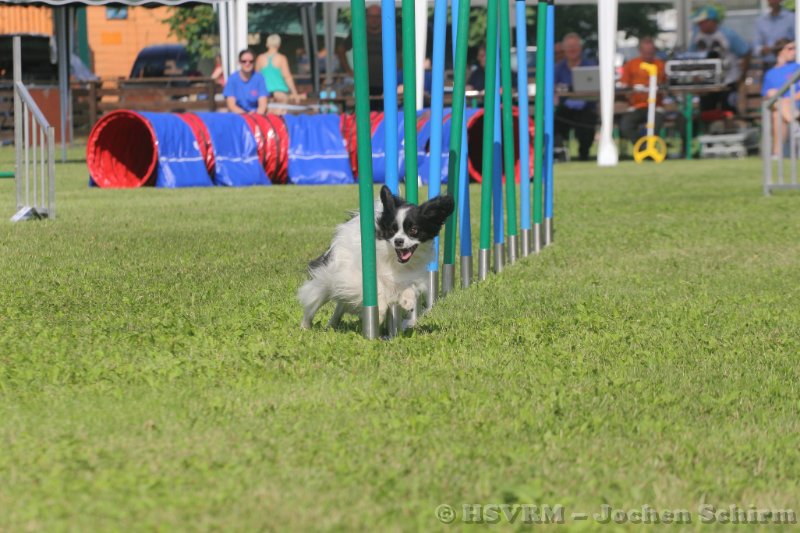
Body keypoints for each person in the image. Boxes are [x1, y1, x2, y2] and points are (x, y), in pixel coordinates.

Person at [337, 5, 400, 110]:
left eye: (377, 16)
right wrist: (348, 70)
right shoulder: (359, 33)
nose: (374, 19)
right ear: (366, 17)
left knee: (386, 112)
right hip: (363, 83)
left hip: (386, 82)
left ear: (382, 17)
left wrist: (399, 68)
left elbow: (403, 49)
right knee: (364, 111)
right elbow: (340, 49)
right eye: (371, 16)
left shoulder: (390, 33)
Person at [689, 6, 751, 113]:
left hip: (728, 80)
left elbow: (745, 52)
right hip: (706, 82)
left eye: (703, 22)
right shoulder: (696, 36)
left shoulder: (728, 34)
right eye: (699, 23)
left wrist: (742, 76)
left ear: (713, 21)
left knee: (728, 112)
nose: (700, 25)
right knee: (707, 113)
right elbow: (691, 56)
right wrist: (695, 76)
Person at [553, 33, 598, 161]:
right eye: (569, 47)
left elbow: (597, 88)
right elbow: (552, 87)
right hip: (565, 107)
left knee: (587, 122)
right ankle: (559, 152)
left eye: (575, 46)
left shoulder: (591, 66)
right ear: (564, 49)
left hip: (586, 106)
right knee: (555, 121)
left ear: (580, 48)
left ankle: (584, 154)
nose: (572, 49)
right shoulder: (558, 68)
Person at [761, 39, 800, 156]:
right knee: (775, 102)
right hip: (782, 107)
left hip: (796, 103)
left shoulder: (797, 68)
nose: (793, 51)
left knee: (777, 114)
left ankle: (777, 153)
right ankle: (794, 124)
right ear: (780, 51)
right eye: (790, 48)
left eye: (794, 48)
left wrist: (789, 99)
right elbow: (766, 96)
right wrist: (779, 99)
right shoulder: (770, 73)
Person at [255, 34, 303, 107]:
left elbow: (257, 77)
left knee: (266, 113)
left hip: (265, 93)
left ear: (267, 44)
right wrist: (295, 93)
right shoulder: (281, 58)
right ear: (279, 45)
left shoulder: (260, 58)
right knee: (281, 113)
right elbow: (287, 77)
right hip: (280, 91)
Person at [223, 48, 268, 114]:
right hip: (238, 115)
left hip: (256, 115)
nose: (247, 63)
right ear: (239, 62)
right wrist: (246, 116)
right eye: (244, 61)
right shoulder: (232, 79)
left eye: (251, 61)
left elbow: (262, 105)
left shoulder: (259, 78)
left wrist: (256, 116)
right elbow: (231, 106)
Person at [754, 0, 795, 69]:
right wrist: (762, 50)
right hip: (768, 64)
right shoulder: (761, 21)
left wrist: (786, 45)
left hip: (788, 63)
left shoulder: (792, 18)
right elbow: (756, 47)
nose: (773, 1)